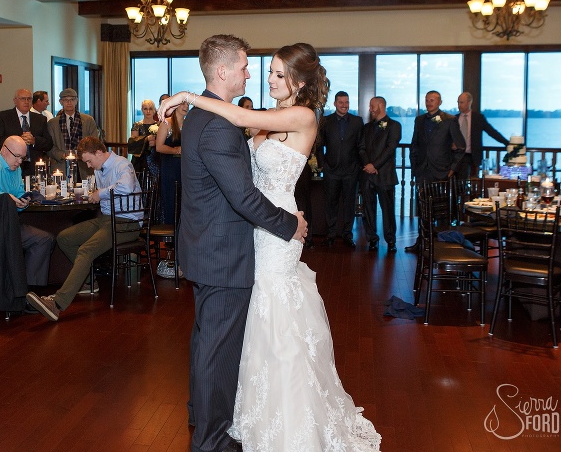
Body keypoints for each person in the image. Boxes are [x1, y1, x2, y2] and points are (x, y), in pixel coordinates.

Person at [159, 41, 380, 452]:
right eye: (266, 71)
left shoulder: (302, 115)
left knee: (273, 322)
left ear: (299, 80)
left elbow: (237, 120)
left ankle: (283, 418)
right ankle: (237, 415)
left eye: (278, 74)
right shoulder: (266, 118)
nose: (266, 78)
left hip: (275, 232)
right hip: (251, 231)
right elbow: (240, 161)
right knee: (241, 330)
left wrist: (189, 97)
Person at [157, 35, 308, 452]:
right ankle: (212, 439)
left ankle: (200, 414)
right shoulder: (219, 127)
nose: (249, 72)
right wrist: (288, 225)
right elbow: (242, 198)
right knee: (216, 350)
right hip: (223, 252)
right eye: (244, 66)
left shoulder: (205, 118)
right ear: (222, 71)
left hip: (207, 246)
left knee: (208, 341)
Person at [26, 136, 141, 321]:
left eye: (89, 160)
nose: (88, 165)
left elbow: (126, 187)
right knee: (64, 238)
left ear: (98, 152)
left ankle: (57, 304)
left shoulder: (122, 164)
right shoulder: (99, 168)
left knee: (86, 250)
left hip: (127, 222)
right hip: (106, 218)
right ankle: (88, 281)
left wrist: (100, 193)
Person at [0, 135, 55, 290]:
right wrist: (3, 197)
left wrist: (21, 202)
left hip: (10, 224)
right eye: (17, 157)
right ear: (4, 151)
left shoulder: (16, 169)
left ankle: (30, 291)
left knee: (45, 239)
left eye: (23, 158)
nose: (20, 162)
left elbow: (18, 194)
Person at [406, 90, 465, 251]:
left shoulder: (449, 120)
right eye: (427, 100)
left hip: (442, 172)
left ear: (440, 102)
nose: (429, 102)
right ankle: (422, 242)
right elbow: (415, 145)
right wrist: (414, 167)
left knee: (442, 211)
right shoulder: (419, 120)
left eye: (432, 100)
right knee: (423, 208)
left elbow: (461, 146)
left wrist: (452, 169)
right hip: (423, 171)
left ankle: (441, 245)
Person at [316, 90, 365, 247]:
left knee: (350, 204)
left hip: (351, 171)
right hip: (331, 170)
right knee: (331, 204)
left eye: (347, 102)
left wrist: (359, 165)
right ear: (335, 104)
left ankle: (347, 235)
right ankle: (330, 234)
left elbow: (361, 145)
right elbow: (319, 144)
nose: (344, 105)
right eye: (341, 102)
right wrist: (322, 163)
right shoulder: (326, 121)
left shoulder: (358, 122)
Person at [360, 96, 402, 252]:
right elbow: (361, 148)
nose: (370, 109)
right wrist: (368, 165)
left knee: (388, 210)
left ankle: (391, 240)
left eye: (372, 106)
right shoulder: (367, 127)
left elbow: (390, 149)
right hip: (367, 175)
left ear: (381, 105)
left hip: (385, 175)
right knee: (368, 210)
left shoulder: (394, 126)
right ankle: (372, 239)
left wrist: (375, 165)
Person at [0, 89, 53, 176]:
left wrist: (34, 141)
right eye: (23, 99)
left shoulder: (40, 119)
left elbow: (49, 143)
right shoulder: (3, 117)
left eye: (29, 99)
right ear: (15, 101)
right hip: (10, 167)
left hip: (34, 167)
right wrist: (17, 140)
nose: (26, 102)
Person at [454, 91, 510, 179]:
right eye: (458, 102)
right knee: (457, 183)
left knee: (473, 181)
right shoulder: (454, 119)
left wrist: (507, 143)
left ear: (469, 103)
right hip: (456, 156)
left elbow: (492, 132)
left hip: (472, 156)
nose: (459, 105)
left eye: (461, 102)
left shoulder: (478, 118)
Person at [47, 88, 99, 177]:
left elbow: (95, 142)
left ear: (77, 101)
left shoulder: (88, 120)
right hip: (61, 166)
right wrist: (62, 155)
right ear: (60, 102)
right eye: (66, 100)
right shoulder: (52, 123)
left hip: (84, 165)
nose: (69, 102)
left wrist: (83, 154)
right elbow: (49, 146)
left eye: (72, 99)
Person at [155, 99, 187, 225]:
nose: (186, 106)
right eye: (183, 103)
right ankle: (170, 233)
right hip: (169, 167)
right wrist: (175, 150)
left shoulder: (188, 124)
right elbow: (159, 147)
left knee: (183, 200)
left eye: (187, 104)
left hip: (184, 168)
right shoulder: (166, 123)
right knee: (171, 198)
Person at [128, 99, 159, 175]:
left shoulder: (159, 125)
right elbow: (133, 142)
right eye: (145, 109)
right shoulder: (137, 125)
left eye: (150, 109)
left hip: (155, 157)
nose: (148, 111)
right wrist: (146, 139)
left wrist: (156, 143)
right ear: (142, 110)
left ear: (154, 110)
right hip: (140, 159)